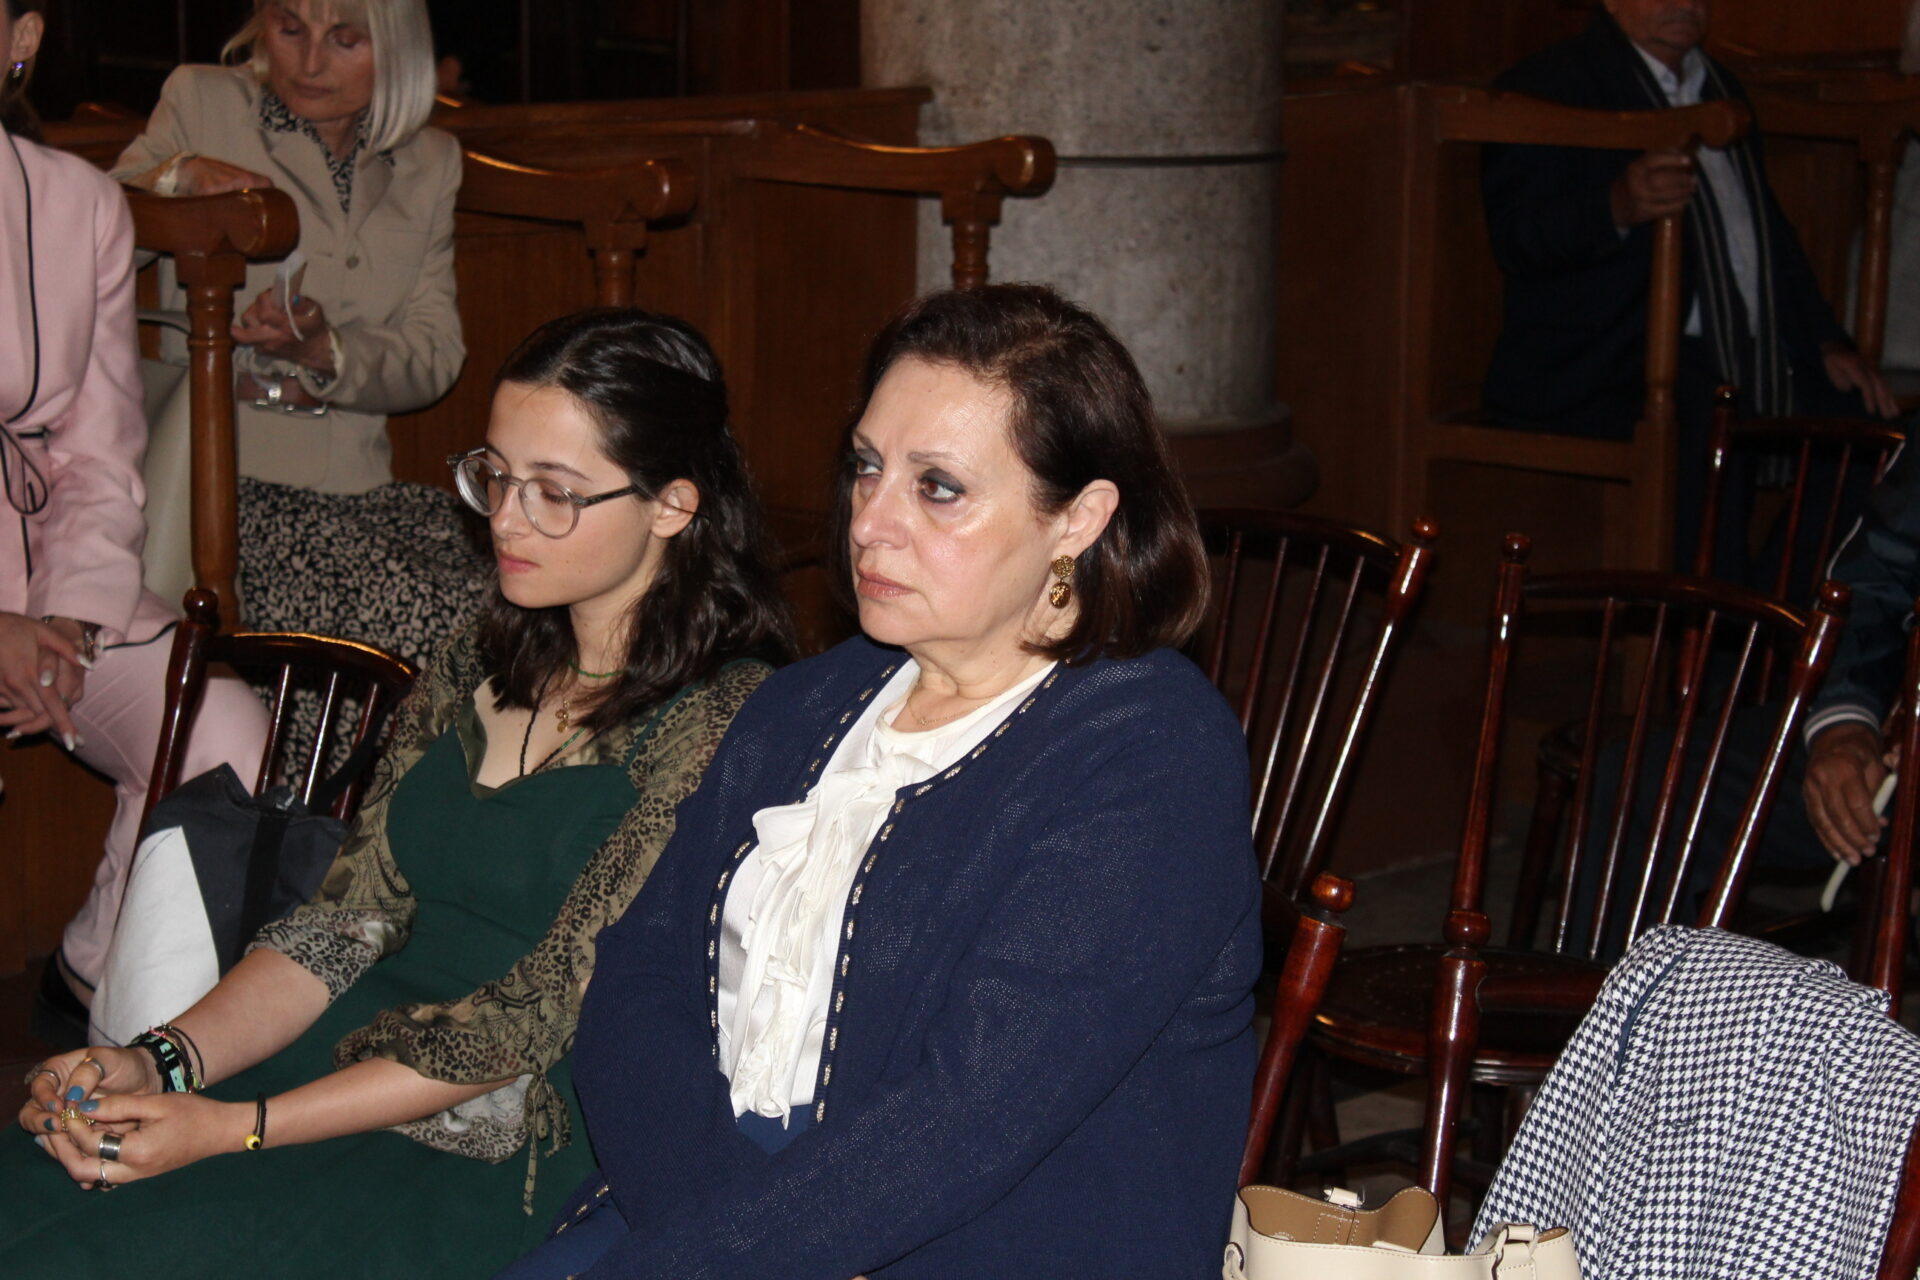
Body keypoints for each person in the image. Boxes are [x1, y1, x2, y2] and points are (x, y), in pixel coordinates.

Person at [4, 308, 794, 1278]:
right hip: (332, 1068)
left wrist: (232, 1128)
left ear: (672, 505)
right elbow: (341, 925)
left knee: (124, 1246)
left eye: (553, 492)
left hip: (490, 1138)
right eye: (495, 475)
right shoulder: (476, 657)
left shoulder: (724, 719)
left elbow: (529, 1020)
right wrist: (159, 1060)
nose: (505, 518)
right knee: (38, 1191)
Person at [503, 284, 1263, 1279]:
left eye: (938, 487)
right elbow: (637, 981)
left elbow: (966, 1118)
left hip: (972, 1244)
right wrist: (710, 1229)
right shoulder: (809, 702)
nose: (871, 523)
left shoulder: (1152, 755)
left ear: (1078, 518)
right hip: (711, 1208)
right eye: (867, 468)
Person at [0, 0, 271, 1048]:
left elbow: (100, 446)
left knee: (222, 734)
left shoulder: (75, 202)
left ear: (21, 39)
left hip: (49, 578)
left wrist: (66, 617)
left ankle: (105, 990)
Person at [111, 0, 482, 667]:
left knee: (514, 595)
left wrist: (325, 350)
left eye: (344, 39)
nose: (310, 62)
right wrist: (174, 177)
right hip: (220, 496)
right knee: (423, 606)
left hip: (360, 494)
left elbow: (434, 354)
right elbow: (83, 239)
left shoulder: (431, 159)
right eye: (290, 30)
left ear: (396, 50)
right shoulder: (204, 102)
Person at [1481, 0, 1901, 575]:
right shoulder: (1550, 85)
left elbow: (1763, 234)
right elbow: (1521, 238)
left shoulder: (1720, 87)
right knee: (1710, 418)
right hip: (1602, 361)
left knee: (1864, 424)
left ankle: (1779, 608)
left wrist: (1824, 341)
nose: (1686, 2)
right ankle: (1706, 622)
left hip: (1730, 352)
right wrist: (1616, 207)